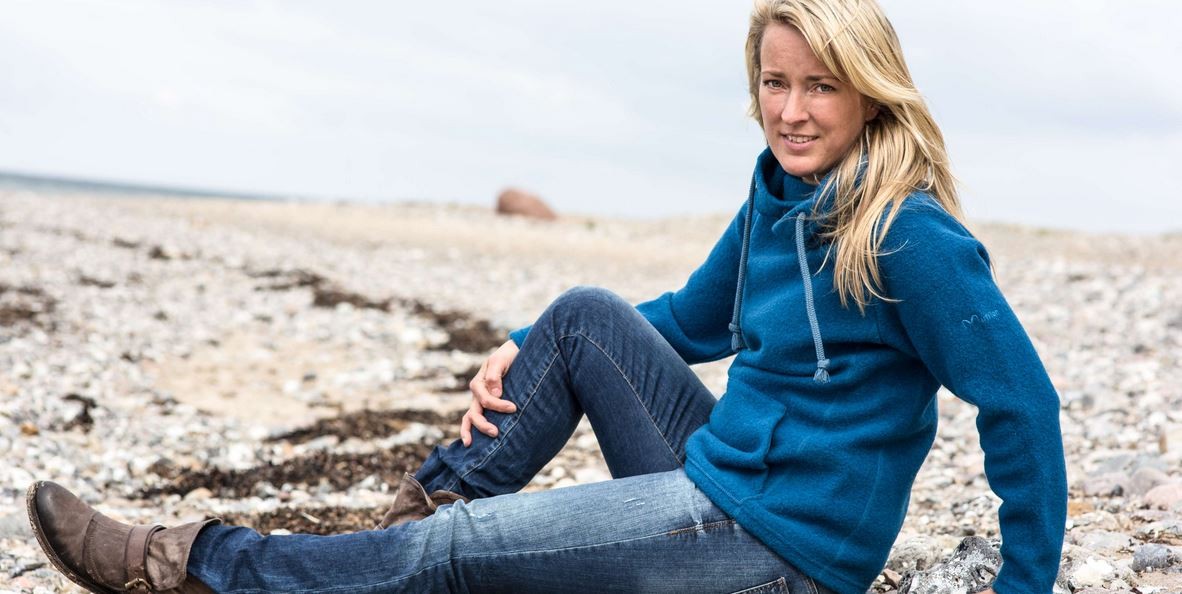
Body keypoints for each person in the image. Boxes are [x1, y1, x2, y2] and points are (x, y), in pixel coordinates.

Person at [25, 0, 1067, 592]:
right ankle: (394, 537)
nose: (790, 112)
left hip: (783, 555)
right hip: (722, 488)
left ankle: (187, 568)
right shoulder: (777, 200)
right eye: (773, 82)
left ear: (868, 87)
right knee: (580, 316)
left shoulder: (912, 238)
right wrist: (521, 346)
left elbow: (1023, 405)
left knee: (462, 558)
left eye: (819, 86)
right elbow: (688, 322)